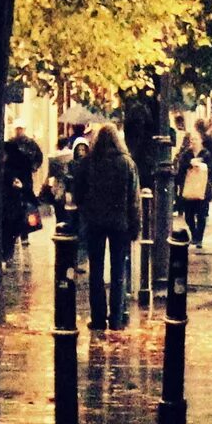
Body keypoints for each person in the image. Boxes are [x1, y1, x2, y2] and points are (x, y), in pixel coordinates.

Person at [73, 121, 142, 330]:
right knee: (118, 270)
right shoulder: (126, 163)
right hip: (120, 223)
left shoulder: (87, 163)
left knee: (96, 270)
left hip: (94, 223)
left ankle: (98, 317)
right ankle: (117, 317)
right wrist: (135, 225)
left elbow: (78, 194)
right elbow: (134, 199)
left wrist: (87, 210)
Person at [2, 124, 44, 250]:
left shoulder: (30, 143)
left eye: (21, 128)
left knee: (24, 210)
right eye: (17, 129)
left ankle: (24, 234)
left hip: (24, 182)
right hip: (12, 189)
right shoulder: (10, 143)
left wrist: (34, 167)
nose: (19, 131)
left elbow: (38, 157)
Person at [178, 130, 212, 247]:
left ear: (201, 140)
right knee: (188, 216)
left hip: (202, 189)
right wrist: (190, 164)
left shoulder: (206, 154)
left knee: (201, 215)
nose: (193, 141)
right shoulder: (186, 154)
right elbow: (181, 169)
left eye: (196, 139)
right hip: (189, 188)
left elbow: (210, 169)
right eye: (192, 139)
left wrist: (200, 165)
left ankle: (199, 238)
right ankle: (194, 234)